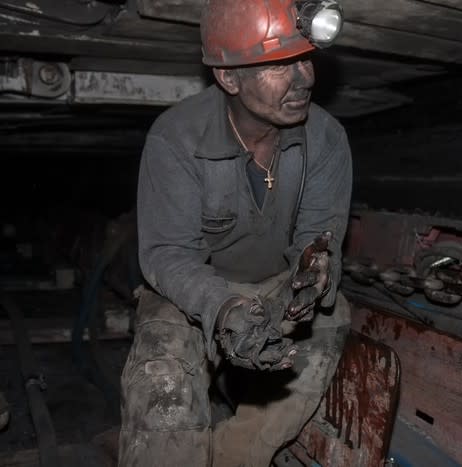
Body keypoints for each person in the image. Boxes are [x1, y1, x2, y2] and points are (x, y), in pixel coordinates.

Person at [118, 0, 352, 465]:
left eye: (305, 59)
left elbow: (318, 231)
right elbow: (167, 255)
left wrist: (316, 266)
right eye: (278, 66)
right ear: (229, 78)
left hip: (272, 284)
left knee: (332, 315)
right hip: (191, 293)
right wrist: (224, 306)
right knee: (164, 377)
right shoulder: (177, 137)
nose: (303, 78)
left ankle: (233, 456)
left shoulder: (326, 138)